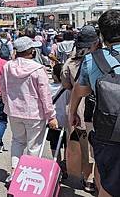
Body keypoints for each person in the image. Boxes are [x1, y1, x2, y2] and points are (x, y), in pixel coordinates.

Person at [70, 10, 120, 197]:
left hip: (108, 132)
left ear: (101, 35)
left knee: (106, 182)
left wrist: (72, 112)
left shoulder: (93, 59)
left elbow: (80, 91)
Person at [0, 36, 58, 183]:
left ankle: (14, 173)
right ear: (30, 51)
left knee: (17, 142)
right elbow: (45, 95)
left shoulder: (7, 67)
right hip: (34, 113)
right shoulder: (38, 69)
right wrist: (51, 115)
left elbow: (3, 90)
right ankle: (29, 175)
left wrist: (8, 105)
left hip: (14, 111)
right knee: (34, 146)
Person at [61, 25, 98, 193]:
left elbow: (66, 84)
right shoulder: (99, 59)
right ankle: (94, 178)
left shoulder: (70, 61)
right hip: (97, 104)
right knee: (95, 145)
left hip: (76, 106)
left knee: (84, 144)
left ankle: (87, 177)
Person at [48, 63, 68, 178]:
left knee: (54, 144)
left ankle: (57, 164)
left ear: (55, 75)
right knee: (67, 144)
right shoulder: (68, 89)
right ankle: (65, 163)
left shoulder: (49, 88)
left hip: (53, 120)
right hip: (67, 121)